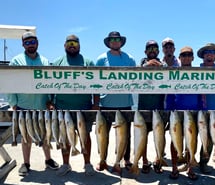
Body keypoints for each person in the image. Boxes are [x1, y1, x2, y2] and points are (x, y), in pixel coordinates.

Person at [6, 31, 59, 176]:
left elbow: (52, 83)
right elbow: (10, 83)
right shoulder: (16, 61)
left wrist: (51, 101)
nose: (31, 44)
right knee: (26, 137)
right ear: (23, 44)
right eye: (27, 42)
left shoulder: (45, 61)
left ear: (37, 43)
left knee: (45, 134)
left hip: (43, 106)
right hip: (23, 106)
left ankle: (48, 160)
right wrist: (13, 103)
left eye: (33, 41)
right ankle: (26, 163)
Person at [52, 34, 98, 176]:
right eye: (69, 43)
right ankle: (66, 164)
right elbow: (49, 85)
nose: (72, 45)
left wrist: (96, 103)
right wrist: (51, 102)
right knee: (64, 137)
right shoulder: (57, 62)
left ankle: (87, 163)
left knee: (85, 136)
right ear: (65, 45)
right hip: (62, 107)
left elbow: (97, 84)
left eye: (75, 43)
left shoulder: (88, 62)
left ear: (79, 46)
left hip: (84, 107)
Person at [95, 31, 136, 173]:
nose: (115, 41)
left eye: (117, 39)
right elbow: (94, 81)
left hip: (125, 102)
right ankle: (103, 160)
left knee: (126, 135)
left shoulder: (129, 58)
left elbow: (136, 80)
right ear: (108, 42)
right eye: (112, 39)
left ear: (121, 42)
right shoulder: (101, 59)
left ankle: (126, 159)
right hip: (105, 103)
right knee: (102, 134)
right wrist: (95, 102)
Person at [165, 46, 205, 180]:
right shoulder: (174, 73)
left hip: (193, 113)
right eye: (183, 55)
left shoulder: (197, 73)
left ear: (193, 57)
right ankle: (174, 167)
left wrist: (202, 111)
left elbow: (201, 94)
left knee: (191, 141)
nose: (186, 57)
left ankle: (190, 167)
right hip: (176, 113)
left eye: (189, 55)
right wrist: (168, 111)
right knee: (175, 140)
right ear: (180, 58)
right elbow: (169, 94)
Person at [138, 40, 165, 174]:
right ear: (145, 51)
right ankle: (144, 161)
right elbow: (135, 77)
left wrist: (161, 67)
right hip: (143, 107)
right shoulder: (141, 64)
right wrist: (147, 66)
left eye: (154, 48)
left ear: (158, 51)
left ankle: (158, 159)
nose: (152, 50)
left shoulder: (163, 64)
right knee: (143, 136)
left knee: (159, 136)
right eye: (149, 48)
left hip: (159, 107)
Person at [197, 43, 215, 162]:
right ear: (203, 55)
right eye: (207, 52)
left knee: (210, 138)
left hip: (214, 107)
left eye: (212, 52)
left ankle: (204, 162)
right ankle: (189, 163)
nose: (209, 55)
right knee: (192, 136)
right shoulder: (196, 70)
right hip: (196, 108)